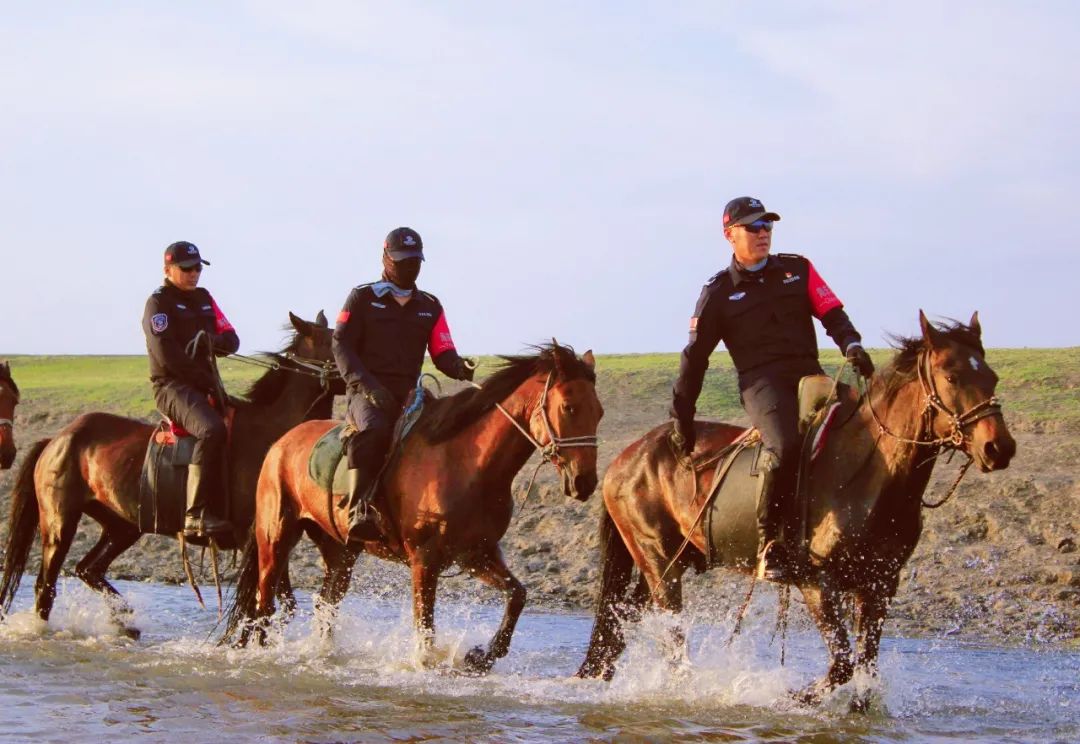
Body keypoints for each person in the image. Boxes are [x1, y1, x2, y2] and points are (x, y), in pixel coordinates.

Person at [670, 197, 874, 582]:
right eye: (753, 227)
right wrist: (681, 415)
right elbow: (694, 360)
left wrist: (851, 344)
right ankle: (771, 542)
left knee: (869, 422)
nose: (763, 233)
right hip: (762, 382)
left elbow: (833, 315)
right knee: (785, 446)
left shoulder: (799, 269)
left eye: (767, 226)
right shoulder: (717, 293)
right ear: (730, 235)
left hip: (810, 375)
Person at [332, 227, 475, 539]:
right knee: (375, 430)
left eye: (414, 261)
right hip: (365, 391)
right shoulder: (363, 298)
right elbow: (340, 346)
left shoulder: (430, 305)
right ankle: (360, 508)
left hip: (410, 393)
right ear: (386, 258)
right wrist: (368, 387)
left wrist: (460, 366)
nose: (409, 267)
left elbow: (442, 351)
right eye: (401, 261)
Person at [142, 241, 240, 538]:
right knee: (212, 429)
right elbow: (166, 356)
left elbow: (232, 339)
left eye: (198, 267)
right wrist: (203, 382)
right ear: (168, 270)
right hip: (172, 386)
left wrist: (213, 341)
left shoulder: (204, 298)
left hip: (206, 384)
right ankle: (195, 515)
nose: (194, 273)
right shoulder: (158, 304)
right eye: (186, 269)